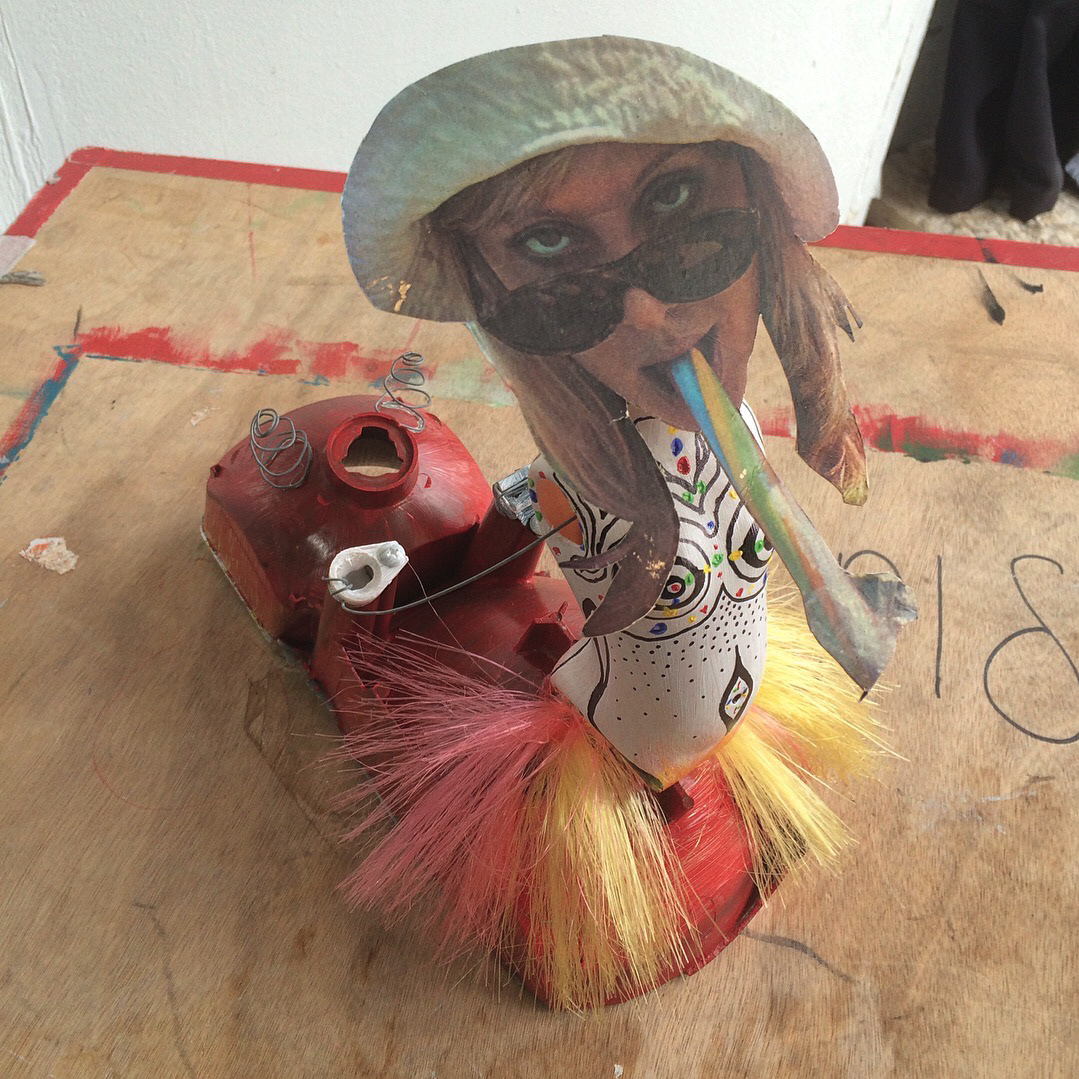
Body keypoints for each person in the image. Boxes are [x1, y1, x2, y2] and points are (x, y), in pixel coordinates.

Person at [339, 36, 889, 1010]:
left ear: (754, 205)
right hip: (623, 734)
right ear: (497, 302)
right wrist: (510, 541)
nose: (647, 312)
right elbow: (521, 538)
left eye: (675, 201)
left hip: (718, 704)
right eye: (549, 250)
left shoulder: (730, 431)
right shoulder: (563, 494)